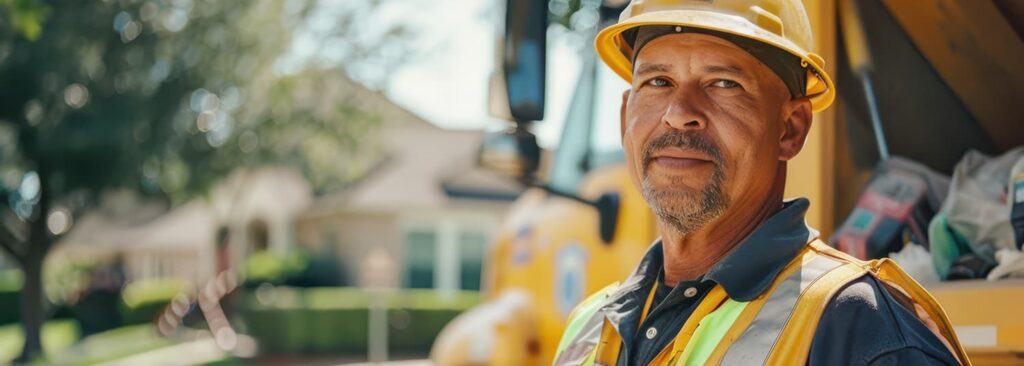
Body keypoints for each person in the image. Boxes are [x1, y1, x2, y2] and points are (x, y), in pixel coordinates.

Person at [551, 1, 970, 365]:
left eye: (723, 84)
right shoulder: (589, 327)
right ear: (626, 115)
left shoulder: (860, 328)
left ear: (790, 128)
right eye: (657, 82)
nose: (679, 113)